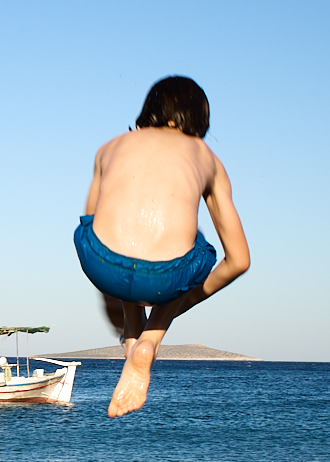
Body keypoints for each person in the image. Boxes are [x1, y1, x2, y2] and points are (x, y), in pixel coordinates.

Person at [75, 76, 249, 417]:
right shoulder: (207, 158)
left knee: (115, 237)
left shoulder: (109, 147)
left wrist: (114, 296)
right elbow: (239, 260)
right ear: (200, 119)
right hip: (164, 279)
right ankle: (148, 342)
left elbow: (93, 221)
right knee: (200, 251)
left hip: (99, 265)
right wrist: (173, 304)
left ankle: (130, 325)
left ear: (148, 109)